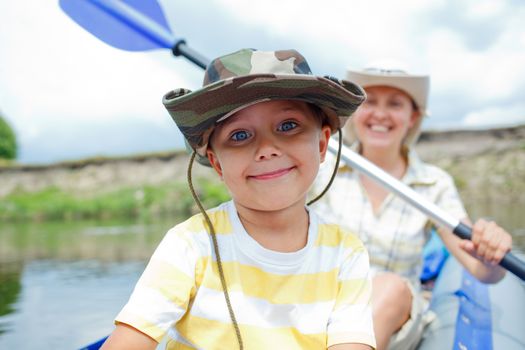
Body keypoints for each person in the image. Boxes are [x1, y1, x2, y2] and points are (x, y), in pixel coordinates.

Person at [101, 49, 377, 350]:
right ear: (217, 164)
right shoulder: (191, 245)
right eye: (240, 135)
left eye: (287, 126)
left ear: (322, 144)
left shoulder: (345, 254)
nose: (267, 148)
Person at [311, 61, 513, 350]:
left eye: (394, 104)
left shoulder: (434, 183)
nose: (380, 113)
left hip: (394, 311)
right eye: (369, 102)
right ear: (354, 113)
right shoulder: (321, 166)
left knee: (388, 287)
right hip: (321, 299)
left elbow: (481, 270)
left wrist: (492, 252)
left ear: (412, 117)